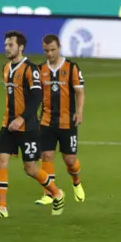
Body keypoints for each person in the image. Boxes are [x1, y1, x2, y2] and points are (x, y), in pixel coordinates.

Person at [0, 30, 65, 219]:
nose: (7, 48)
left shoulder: (30, 69)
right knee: (1, 161)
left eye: (10, 45)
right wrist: (12, 120)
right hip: (8, 125)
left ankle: (56, 192)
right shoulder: (5, 68)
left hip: (27, 127)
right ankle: (2, 208)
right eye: (5, 45)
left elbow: (37, 96)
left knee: (31, 169)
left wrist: (21, 118)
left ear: (20, 47)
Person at [35, 34, 86, 205]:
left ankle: (76, 182)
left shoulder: (71, 67)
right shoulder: (40, 70)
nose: (49, 53)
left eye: (52, 50)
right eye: (46, 50)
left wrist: (79, 112)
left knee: (70, 160)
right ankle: (50, 194)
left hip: (67, 121)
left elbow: (80, 92)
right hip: (46, 120)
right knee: (46, 155)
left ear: (59, 47)